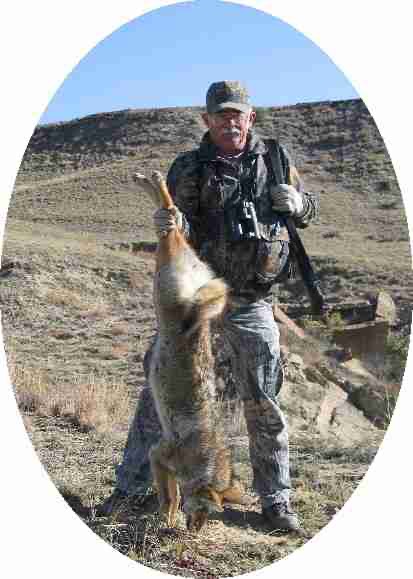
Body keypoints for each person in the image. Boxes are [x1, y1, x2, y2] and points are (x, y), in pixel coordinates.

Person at [100, 81, 318, 532]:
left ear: (250, 117)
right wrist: (168, 221)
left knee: (263, 399)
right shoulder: (189, 167)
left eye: (237, 114)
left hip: (253, 299)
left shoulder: (276, 160)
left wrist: (300, 204)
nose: (229, 122)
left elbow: (309, 209)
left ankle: (276, 501)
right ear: (207, 120)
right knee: (159, 393)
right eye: (221, 115)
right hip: (198, 299)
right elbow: (178, 227)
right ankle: (131, 489)